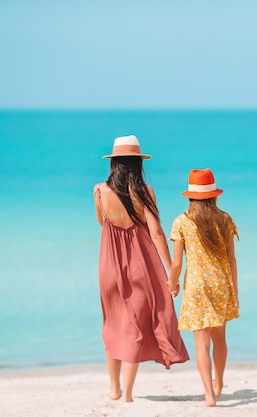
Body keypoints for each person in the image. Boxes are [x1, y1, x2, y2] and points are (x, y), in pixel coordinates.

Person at [93, 135, 189, 402]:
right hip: (140, 265)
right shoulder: (146, 192)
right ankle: (129, 394)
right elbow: (157, 233)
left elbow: (102, 222)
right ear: (138, 164)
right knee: (134, 327)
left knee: (112, 325)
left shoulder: (99, 190)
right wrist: (171, 271)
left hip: (108, 265)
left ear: (113, 163)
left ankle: (114, 389)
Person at [167, 168, 240, 407]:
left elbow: (177, 262)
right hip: (220, 284)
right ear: (214, 195)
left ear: (190, 197)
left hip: (197, 287)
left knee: (202, 343)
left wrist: (172, 282)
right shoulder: (225, 219)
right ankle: (219, 382)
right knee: (220, 338)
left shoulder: (182, 222)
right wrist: (235, 291)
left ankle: (209, 394)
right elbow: (232, 259)